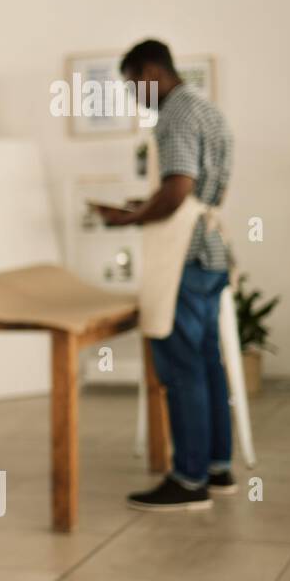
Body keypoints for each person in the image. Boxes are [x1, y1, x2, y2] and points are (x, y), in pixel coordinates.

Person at [96, 38, 234, 511]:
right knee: (209, 364)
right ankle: (218, 468)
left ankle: (189, 479)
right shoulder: (207, 110)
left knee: (181, 370)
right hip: (211, 253)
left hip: (184, 260)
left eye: (134, 84)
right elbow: (192, 192)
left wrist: (128, 219)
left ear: (151, 71)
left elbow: (177, 189)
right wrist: (144, 207)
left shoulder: (174, 114)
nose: (136, 95)